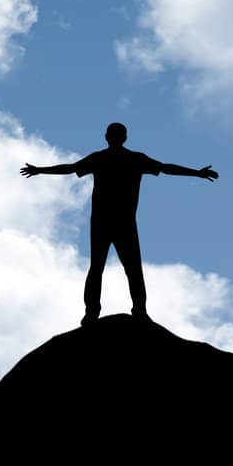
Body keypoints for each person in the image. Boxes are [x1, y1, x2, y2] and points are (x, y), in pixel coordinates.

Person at [20, 121, 218, 325]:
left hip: (107, 222)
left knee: (102, 268)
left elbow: (71, 169)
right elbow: (165, 168)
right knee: (126, 269)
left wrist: (40, 170)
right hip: (117, 222)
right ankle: (130, 310)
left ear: (107, 137)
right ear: (124, 138)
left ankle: (101, 312)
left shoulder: (106, 158)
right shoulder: (132, 159)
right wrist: (197, 173)